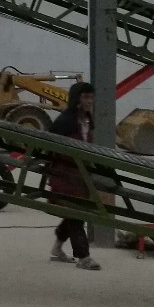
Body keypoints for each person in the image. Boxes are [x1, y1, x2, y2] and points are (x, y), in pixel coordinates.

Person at [46, 81, 101, 270]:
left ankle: (57, 248)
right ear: (76, 98)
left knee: (74, 213)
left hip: (79, 176)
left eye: (91, 97)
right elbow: (53, 148)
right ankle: (84, 257)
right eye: (85, 97)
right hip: (65, 175)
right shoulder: (66, 121)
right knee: (76, 213)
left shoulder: (86, 119)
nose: (90, 101)